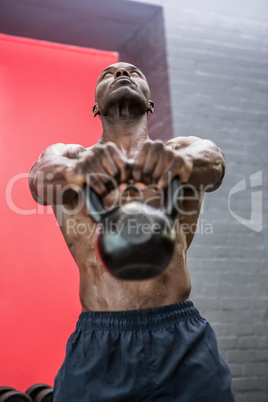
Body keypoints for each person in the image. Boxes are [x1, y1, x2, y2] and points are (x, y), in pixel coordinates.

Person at [29, 62, 235, 401]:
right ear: (96, 106)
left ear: (151, 104)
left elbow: (214, 162)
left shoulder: (180, 151)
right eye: (108, 74)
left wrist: (166, 166)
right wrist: (91, 170)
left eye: (133, 73)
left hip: (181, 338)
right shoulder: (68, 156)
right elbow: (41, 180)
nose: (122, 74)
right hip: (99, 342)